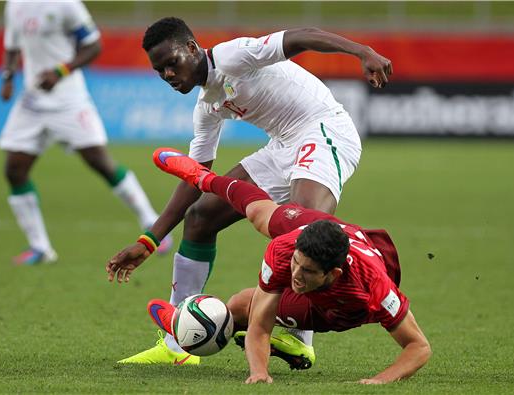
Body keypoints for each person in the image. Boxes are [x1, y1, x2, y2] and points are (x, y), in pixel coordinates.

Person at [107, 17, 393, 365]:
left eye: (172, 63)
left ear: (193, 49)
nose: (167, 74)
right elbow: (194, 177)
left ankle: (299, 337)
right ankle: (176, 344)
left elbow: (304, 36)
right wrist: (149, 240)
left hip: (324, 130)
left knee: (301, 228)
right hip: (283, 145)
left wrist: (362, 51)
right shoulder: (207, 107)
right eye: (159, 70)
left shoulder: (234, 56)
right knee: (201, 216)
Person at [141, 148, 431, 384]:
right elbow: (260, 324)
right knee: (258, 214)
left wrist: (379, 381)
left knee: (240, 306)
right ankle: (202, 177)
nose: (295, 275)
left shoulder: (373, 288)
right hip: (323, 234)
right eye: (296, 263)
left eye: (306, 271)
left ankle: (190, 326)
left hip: (342, 303)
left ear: (332, 274)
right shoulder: (285, 250)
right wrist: (259, 372)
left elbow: (418, 347)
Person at [0, 0, 172, 264]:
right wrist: (8, 76)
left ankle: (151, 221)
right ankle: (40, 248)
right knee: (14, 169)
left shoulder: (67, 5)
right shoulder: (15, 5)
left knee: (101, 163)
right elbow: (12, 46)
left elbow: (93, 46)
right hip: (32, 100)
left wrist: (60, 71)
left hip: (69, 99)